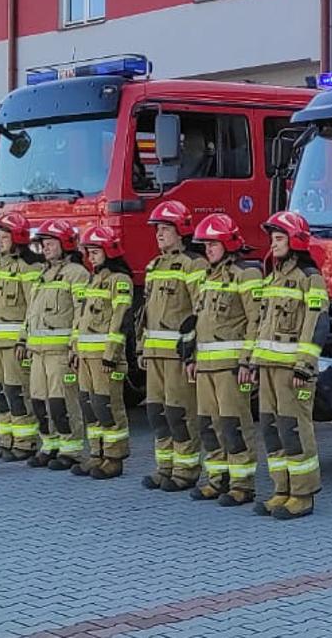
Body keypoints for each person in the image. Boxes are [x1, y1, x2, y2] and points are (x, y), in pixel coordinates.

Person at [249, 210, 328, 520]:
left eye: (279, 238)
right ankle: (282, 489)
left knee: (294, 430)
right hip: (269, 368)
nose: (274, 243)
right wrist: (254, 363)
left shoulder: (310, 279)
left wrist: (304, 366)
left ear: (295, 241)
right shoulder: (272, 278)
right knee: (272, 431)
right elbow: (261, 324)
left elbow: (316, 324)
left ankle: (303, 495)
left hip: (293, 372)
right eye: (273, 238)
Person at [187, 213, 263, 506]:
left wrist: (247, 361)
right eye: (205, 245)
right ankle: (217, 479)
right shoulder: (207, 278)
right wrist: (192, 357)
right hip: (205, 367)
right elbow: (199, 322)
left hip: (231, 368)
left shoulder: (246, 275)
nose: (207, 249)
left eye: (213, 244)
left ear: (229, 243)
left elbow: (256, 320)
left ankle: (242, 485)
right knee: (208, 426)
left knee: (234, 425)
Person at [137, 201, 207, 491]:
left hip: (178, 355)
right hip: (154, 354)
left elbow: (200, 312)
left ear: (181, 231)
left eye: (166, 228)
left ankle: (186, 470)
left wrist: (193, 353)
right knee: (157, 412)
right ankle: (164, 467)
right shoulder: (154, 266)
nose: (159, 234)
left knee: (179, 413)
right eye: (158, 229)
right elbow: (146, 313)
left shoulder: (194, 265)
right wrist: (141, 347)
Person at [22, 219, 90, 470]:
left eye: (51, 243)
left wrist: (75, 346)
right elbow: (31, 311)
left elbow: (82, 313)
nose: (46, 248)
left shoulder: (77, 274)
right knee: (39, 402)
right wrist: (22, 339)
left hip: (60, 352)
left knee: (62, 403)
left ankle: (70, 449)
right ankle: (49, 444)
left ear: (66, 244)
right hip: (37, 351)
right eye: (44, 244)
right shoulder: (42, 275)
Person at [71, 224, 135, 480]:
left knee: (108, 407)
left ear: (110, 251)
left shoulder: (120, 281)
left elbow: (120, 320)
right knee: (90, 406)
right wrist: (74, 348)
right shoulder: (93, 279)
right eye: (88, 252)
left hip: (105, 359)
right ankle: (97, 454)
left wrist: (111, 354)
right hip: (86, 356)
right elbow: (81, 318)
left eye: (96, 251)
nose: (91, 257)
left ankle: (114, 457)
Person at [0, 211, 43, 461]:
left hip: (14, 345)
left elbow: (33, 309)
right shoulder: (0, 267)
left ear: (17, 237)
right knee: (0, 392)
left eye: (4, 235)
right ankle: (6, 440)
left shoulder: (30, 269)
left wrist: (23, 339)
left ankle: (25, 442)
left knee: (17, 392)